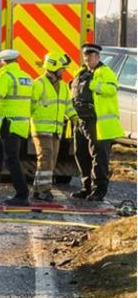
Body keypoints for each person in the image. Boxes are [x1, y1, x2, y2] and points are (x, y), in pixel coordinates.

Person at [70, 43, 124, 202]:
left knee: (99, 157)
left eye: (90, 56)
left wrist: (92, 84)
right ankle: (86, 187)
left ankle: (98, 190)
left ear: (98, 56)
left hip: (98, 123)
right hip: (81, 121)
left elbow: (112, 89)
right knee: (81, 155)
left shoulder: (105, 72)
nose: (87, 58)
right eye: (85, 56)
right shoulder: (81, 72)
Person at [0, 49, 33, 205]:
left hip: (8, 123)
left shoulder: (5, 77)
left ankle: (22, 195)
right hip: (20, 123)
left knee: (11, 160)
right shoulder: (26, 77)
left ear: (3, 62)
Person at [30, 52, 77, 202]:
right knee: (46, 158)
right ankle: (44, 190)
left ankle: (37, 190)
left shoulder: (63, 86)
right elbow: (29, 106)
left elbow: (67, 105)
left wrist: (74, 118)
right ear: (53, 66)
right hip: (41, 130)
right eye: (62, 68)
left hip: (56, 131)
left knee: (51, 160)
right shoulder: (38, 84)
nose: (64, 71)